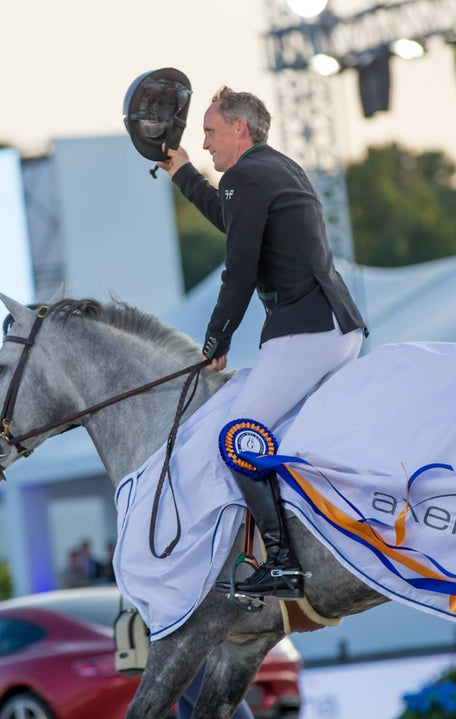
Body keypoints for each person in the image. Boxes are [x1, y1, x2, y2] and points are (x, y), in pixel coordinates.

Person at [157, 87, 367, 599]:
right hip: (337, 329)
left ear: (239, 129)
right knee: (278, 440)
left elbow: (240, 269)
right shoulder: (278, 167)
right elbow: (237, 228)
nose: (204, 142)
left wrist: (215, 340)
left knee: (236, 436)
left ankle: (282, 562)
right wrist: (183, 171)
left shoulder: (244, 176)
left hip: (304, 334)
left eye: (209, 131)